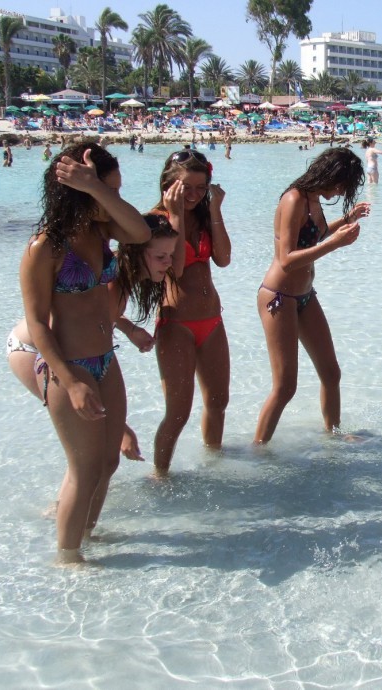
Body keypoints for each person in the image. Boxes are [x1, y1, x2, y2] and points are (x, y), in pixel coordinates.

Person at [19, 143, 151, 563]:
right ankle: (68, 560)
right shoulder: (45, 248)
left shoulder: (102, 230)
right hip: (69, 367)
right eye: (100, 190)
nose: (108, 199)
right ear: (73, 191)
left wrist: (98, 188)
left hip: (105, 360)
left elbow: (142, 232)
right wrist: (70, 380)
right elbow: (38, 323)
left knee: (108, 463)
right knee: (84, 469)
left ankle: (86, 535)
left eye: (110, 191)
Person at [255, 147, 369, 445]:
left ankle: (333, 438)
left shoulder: (314, 198)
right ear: (329, 174)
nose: (342, 190)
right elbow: (287, 259)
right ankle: (258, 450)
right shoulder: (294, 198)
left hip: (305, 296)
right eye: (342, 183)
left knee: (331, 374)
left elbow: (313, 236)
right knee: (285, 387)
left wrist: (346, 220)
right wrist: (336, 243)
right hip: (279, 297)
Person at [152, 150, 231, 476]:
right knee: (178, 412)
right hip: (176, 323)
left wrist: (215, 209)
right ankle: (160, 475)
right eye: (188, 188)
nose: (195, 195)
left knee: (218, 403)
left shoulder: (204, 215)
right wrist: (175, 217)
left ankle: (213, 465)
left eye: (202, 188)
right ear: (169, 185)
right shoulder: (156, 220)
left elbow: (224, 259)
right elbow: (178, 267)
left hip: (211, 319)